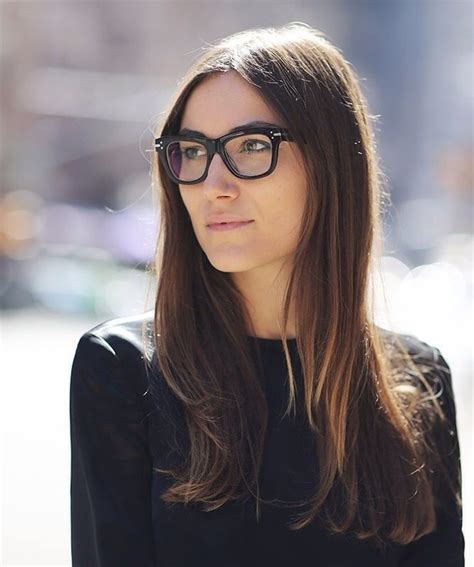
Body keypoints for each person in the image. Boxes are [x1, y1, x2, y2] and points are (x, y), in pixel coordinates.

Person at [69, 22, 464, 566]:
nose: (214, 185)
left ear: (331, 164)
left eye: (252, 147)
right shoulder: (123, 370)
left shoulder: (416, 382)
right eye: (192, 151)